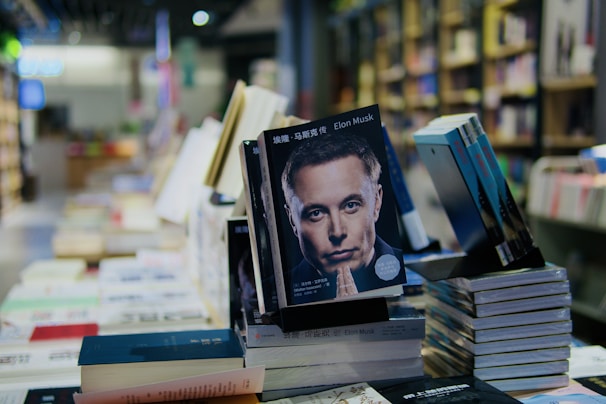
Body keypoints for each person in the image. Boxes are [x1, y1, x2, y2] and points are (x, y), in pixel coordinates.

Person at [281, 131, 404, 305]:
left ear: (376, 202)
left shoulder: (409, 276)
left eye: (351, 205)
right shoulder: (278, 293)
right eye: (316, 213)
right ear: (292, 219)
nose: (337, 232)